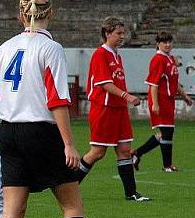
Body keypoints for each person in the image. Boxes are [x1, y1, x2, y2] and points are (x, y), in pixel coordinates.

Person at [0, 0, 113, 218]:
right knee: (72, 206)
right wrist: (69, 144)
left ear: (20, 15)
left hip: (8, 131)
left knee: (12, 211)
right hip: (41, 132)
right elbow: (57, 100)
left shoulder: (2, 49)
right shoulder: (51, 48)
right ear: (51, 14)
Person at [77, 17, 150, 201]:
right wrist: (127, 96)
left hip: (119, 109)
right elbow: (105, 84)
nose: (122, 36)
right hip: (104, 109)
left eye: (122, 33)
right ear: (107, 33)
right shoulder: (100, 54)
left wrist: (124, 99)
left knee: (125, 150)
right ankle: (69, 185)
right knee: (97, 153)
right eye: (118, 33)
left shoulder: (117, 55)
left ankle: (131, 193)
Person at [132, 32, 194, 172]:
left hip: (168, 100)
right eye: (164, 42)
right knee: (167, 132)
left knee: (165, 133)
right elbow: (153, 83)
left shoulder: (170, 58)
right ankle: (167, 166)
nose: (167, 44)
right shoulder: (158, 59)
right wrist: (155, 103)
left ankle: (137, 153)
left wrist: (184, 96)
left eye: (169, 42)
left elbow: (174, 82)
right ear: (157, 44)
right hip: (160, 100)